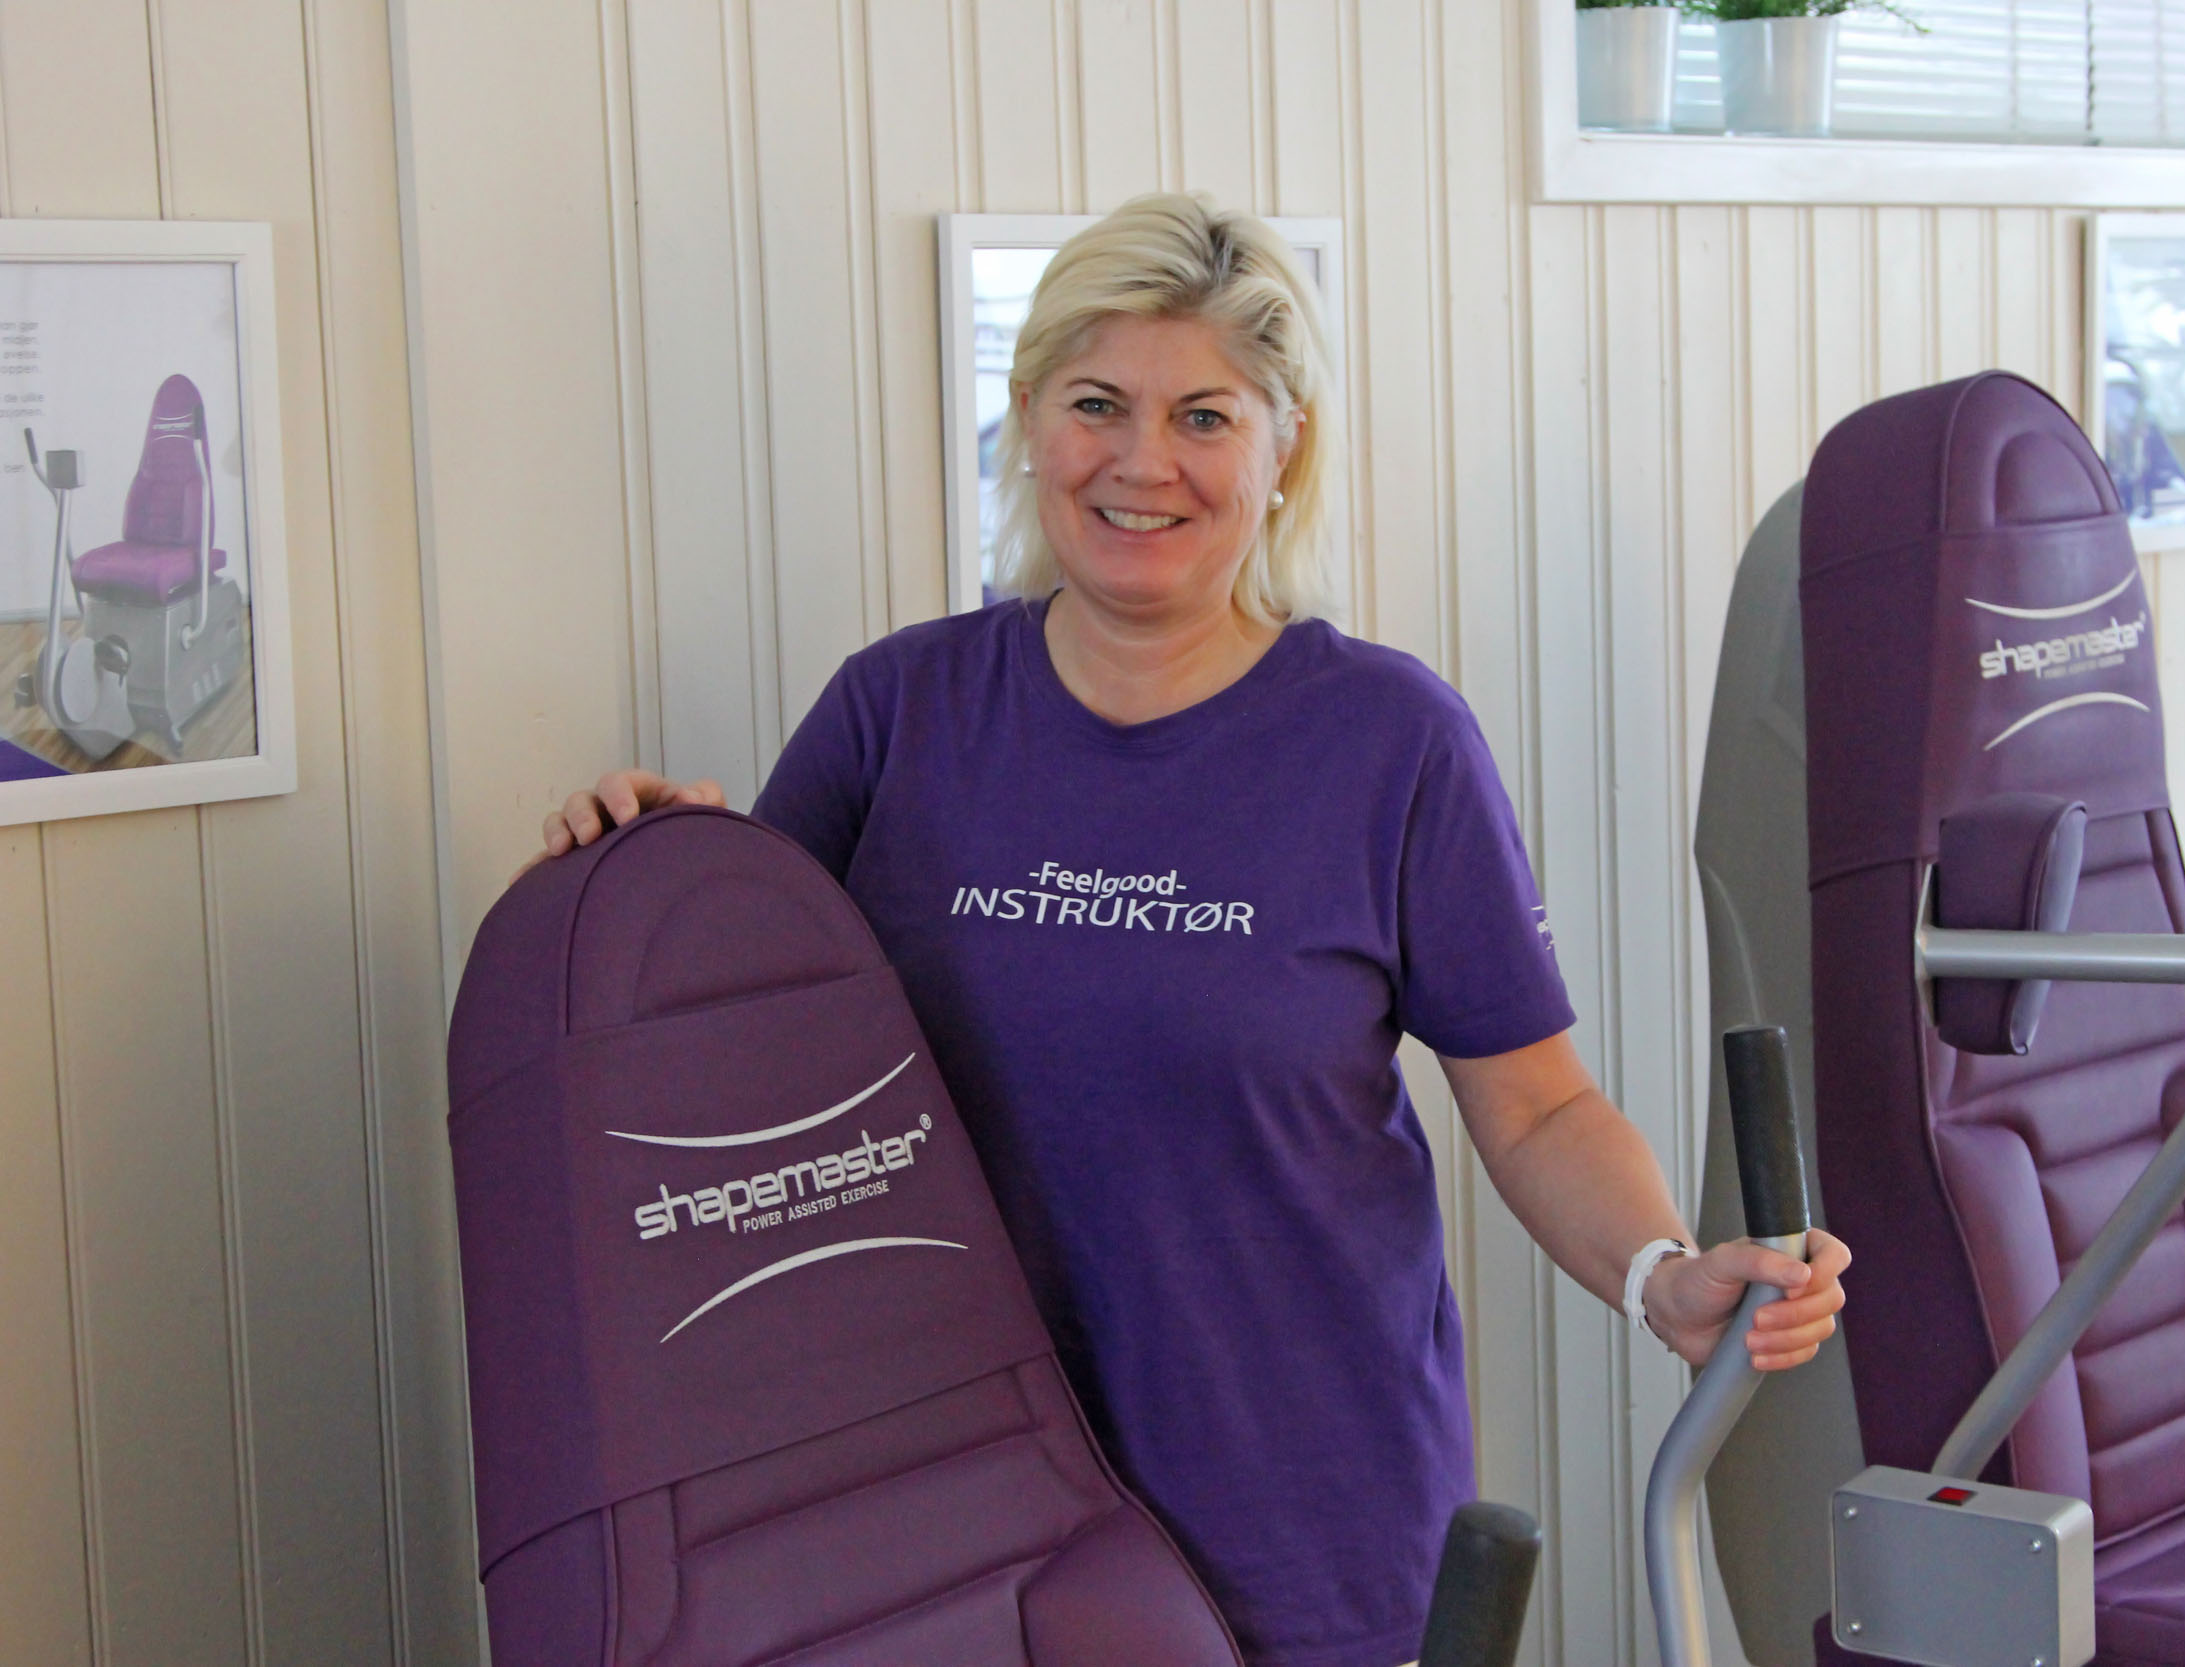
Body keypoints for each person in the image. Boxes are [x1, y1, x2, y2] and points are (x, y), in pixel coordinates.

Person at [537, 193, 1848, 1667]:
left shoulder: (1389, 741)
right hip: (948, 1505)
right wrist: (647, 867)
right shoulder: (898, 713)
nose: (1142, 462)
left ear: (1284, 449)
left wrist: (1661, 1274)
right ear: (1032, 419)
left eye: (1204, 417)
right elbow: (739, 1049)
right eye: (1097, 404)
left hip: (1302, 1508)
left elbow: (1537, 1107)